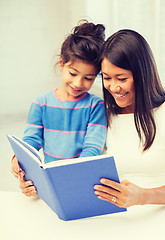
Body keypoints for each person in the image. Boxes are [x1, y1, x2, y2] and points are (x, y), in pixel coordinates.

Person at [94, 29, 165, 208]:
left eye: (121, 78)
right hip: (118, 221)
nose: (113, 87)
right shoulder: (105, 115)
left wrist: (142, 196)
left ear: (143, 74)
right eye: (107, 78)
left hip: (163, 218)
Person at [11, 20, 107, 197]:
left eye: (88, 78)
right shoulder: (41, 103)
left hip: (82, 180)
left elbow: (92, 148)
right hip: (51, 181)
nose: (78, 83)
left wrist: (73, 176)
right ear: (62, 63)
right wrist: (20, 159)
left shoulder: (96, 106)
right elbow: (31, 141)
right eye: (73, 73)